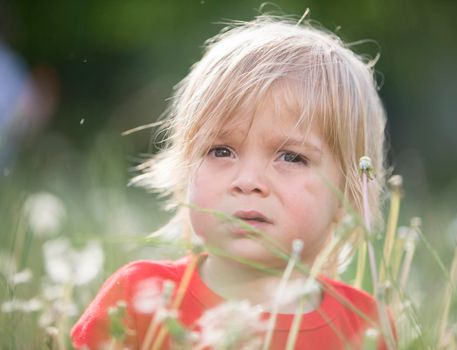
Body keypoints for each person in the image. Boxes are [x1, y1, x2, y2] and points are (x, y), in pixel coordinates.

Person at [71, 14, 394, 350]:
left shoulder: (365, 327)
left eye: (291, 157)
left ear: (348, 193)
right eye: (221, 151)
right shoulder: (137, 298)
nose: (248, 181)